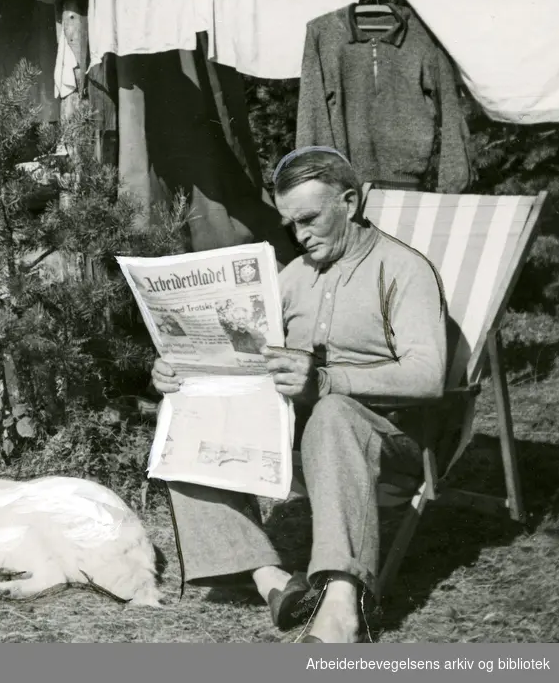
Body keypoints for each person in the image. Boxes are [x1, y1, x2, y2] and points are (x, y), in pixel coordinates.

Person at [150, 146, 449, 643]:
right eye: (291, 223)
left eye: (309, 218)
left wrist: (329, 380)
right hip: (301, 436)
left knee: (332, 410)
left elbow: (428, 375)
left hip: (391, 441)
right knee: (188, 412)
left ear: (349, 203)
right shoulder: (294, 277)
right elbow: (247, 356)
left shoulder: (403, 269)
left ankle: (340, 606)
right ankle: (272, 580)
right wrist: (181, 371)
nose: (300, 235)